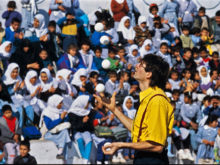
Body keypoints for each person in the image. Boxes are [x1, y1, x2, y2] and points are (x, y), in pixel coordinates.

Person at [94, 54, 174, 164]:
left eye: (141, 65)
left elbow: (156, 145)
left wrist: (121, 145)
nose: (136, 66)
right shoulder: (147, 98)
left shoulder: (157, 101)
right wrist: (114, 109)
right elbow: (137, 129)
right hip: (142, 157)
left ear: (149, 74)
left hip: (152, 160)